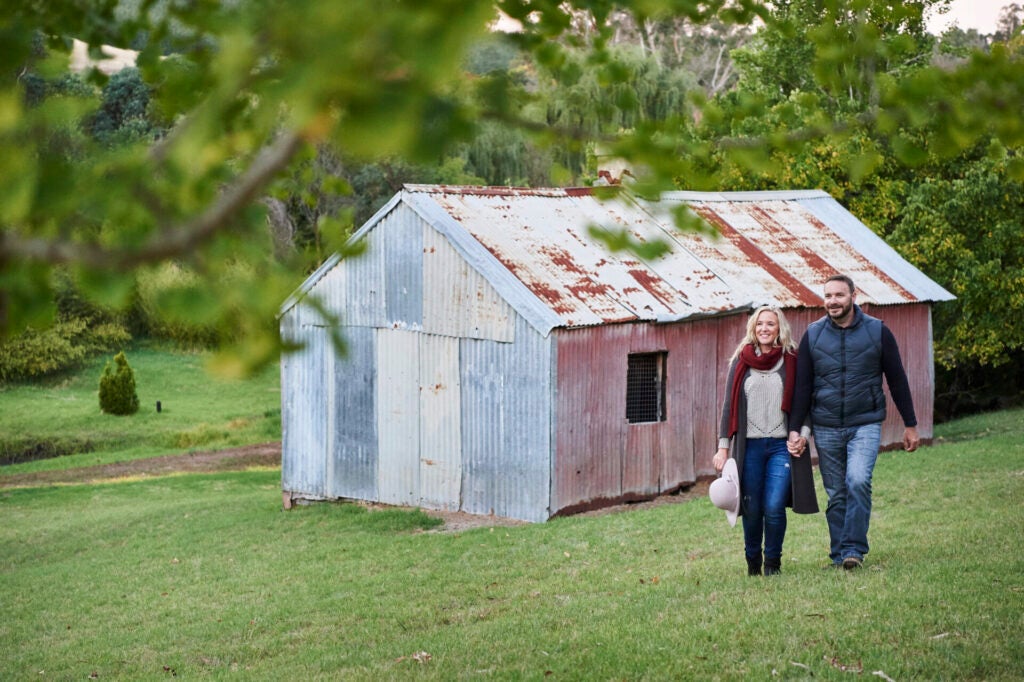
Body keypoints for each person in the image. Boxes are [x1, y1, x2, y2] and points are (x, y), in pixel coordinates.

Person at [787, 274, 920, 571]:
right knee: (836, 492)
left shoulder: (878, 331)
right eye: (828, 296)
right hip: (826, 424)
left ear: (853, 296)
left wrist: (910, 423)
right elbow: (803, 387)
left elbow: (896, 379)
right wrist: (795, 429)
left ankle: (854, 549)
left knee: (858, 480)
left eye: (839, 295)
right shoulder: (813, 335)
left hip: (866, 422)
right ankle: (840, 554)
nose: (832, 301)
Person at [714, 306, 818, 577]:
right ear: (753, 327)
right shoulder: (741, 361)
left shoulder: (792, 360)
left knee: (773, 506)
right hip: (749, 447)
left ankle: (773, 563)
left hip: (780, 447)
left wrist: (803, 435)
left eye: (770, 324)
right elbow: (728, 406)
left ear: (779, 328)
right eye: (760, 324)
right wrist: (723, 446)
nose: (764, 329)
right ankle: (752, 563)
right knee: (751, 506)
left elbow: (805, 403)